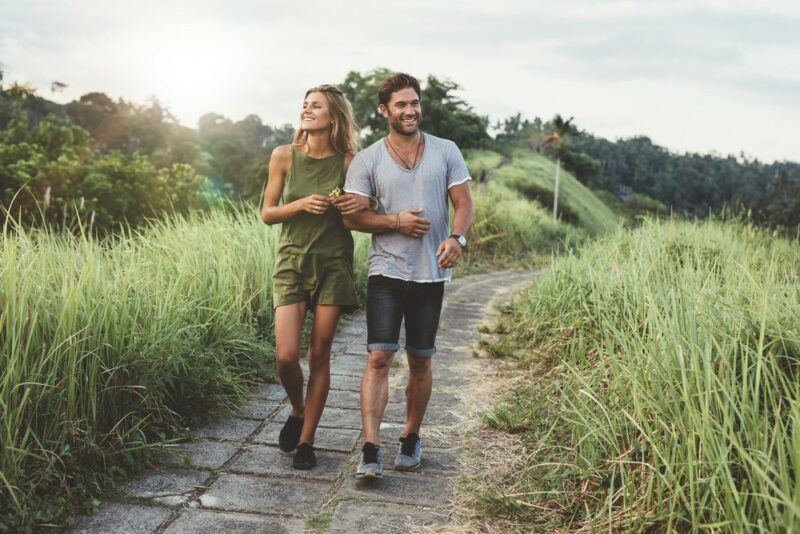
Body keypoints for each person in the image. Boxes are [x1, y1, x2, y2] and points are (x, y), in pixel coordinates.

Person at [342, 73, 474, 478]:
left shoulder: (445, 150)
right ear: (384, 110)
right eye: (400, 104)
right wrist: (395, 221)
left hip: (430, 274)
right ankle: (369, 447)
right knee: (379, 356)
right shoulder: (368, 159)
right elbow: (353, 217)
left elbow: (463, 202)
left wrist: (457, 239)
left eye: (413, 102)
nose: (410, 110)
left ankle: (411, 436)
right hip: (386, 269)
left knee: (420, 360)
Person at [260, 84, 374, 469]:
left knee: (320, 354)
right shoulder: (283, 156)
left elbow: (361, 213)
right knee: (286, 357)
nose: (307, 110)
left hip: (333, 264)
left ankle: (307, 441)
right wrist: (300, 204)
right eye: (305, 105)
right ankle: (297, 408)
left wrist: (361, 201)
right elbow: (268, 213)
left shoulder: (348, 162)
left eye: (316, 106)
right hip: (291, 262)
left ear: (333, 117)